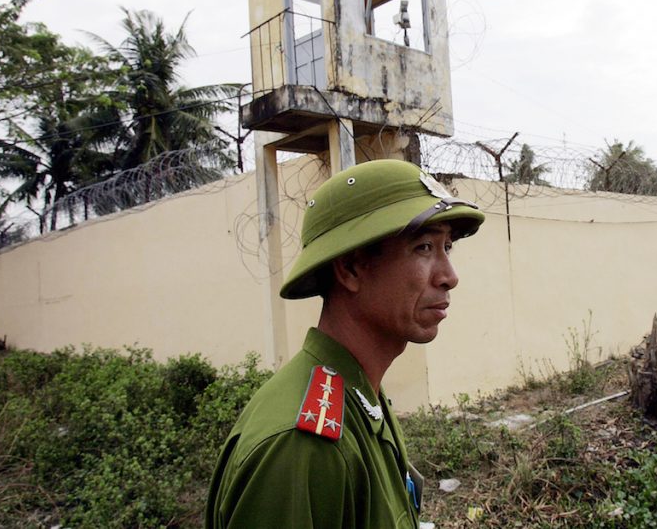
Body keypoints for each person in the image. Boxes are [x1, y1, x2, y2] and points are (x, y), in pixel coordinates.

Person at [206, 159, 485, 529]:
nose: (450, 276)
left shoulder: (359, 394)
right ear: (350, 270)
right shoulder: (301, 448)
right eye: (423, 248)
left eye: (447, 247)